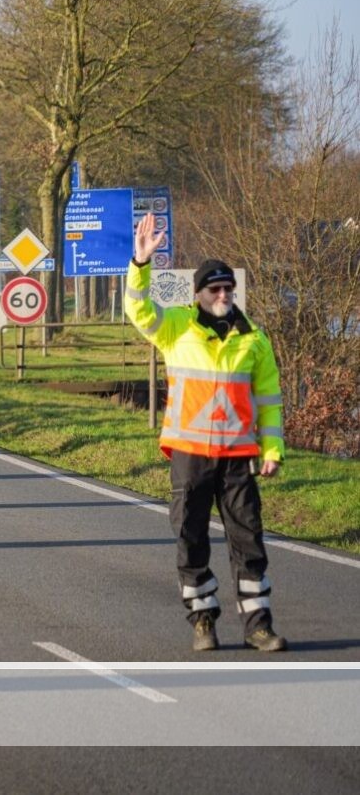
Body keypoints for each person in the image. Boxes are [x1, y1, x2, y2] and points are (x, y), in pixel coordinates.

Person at [127, 213, 286, 653]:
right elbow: (138, 310)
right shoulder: (177, 327)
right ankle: (202, 620)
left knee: (248, 540)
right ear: (198, 294)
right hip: (190, 455)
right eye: (214, 289)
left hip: (238, 458)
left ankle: (258, 625)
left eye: (228, 290)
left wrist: (272, 449)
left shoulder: (254, 340)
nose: (222, 296)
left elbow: (269, 401)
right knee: (190, 538)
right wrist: (140, 264)